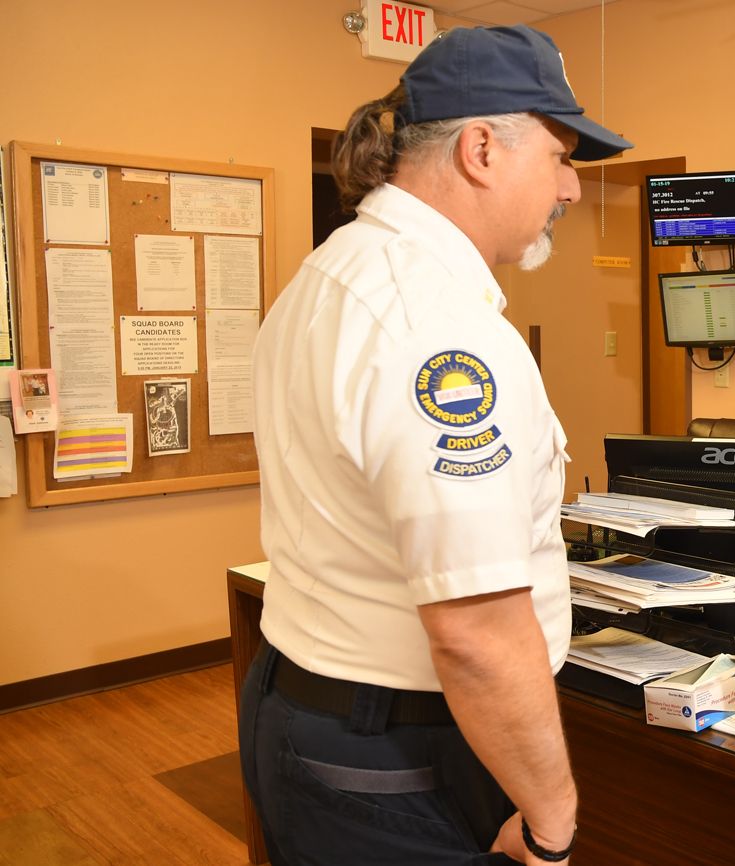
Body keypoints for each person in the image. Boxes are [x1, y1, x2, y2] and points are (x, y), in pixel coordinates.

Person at [239, 25, 631, 866]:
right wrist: (552, 820)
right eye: (561, 155)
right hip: (392, 754)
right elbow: (478, 633)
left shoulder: (328, 276)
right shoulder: (439, 332)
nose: (571, 185)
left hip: (306, 709)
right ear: (483, 148)